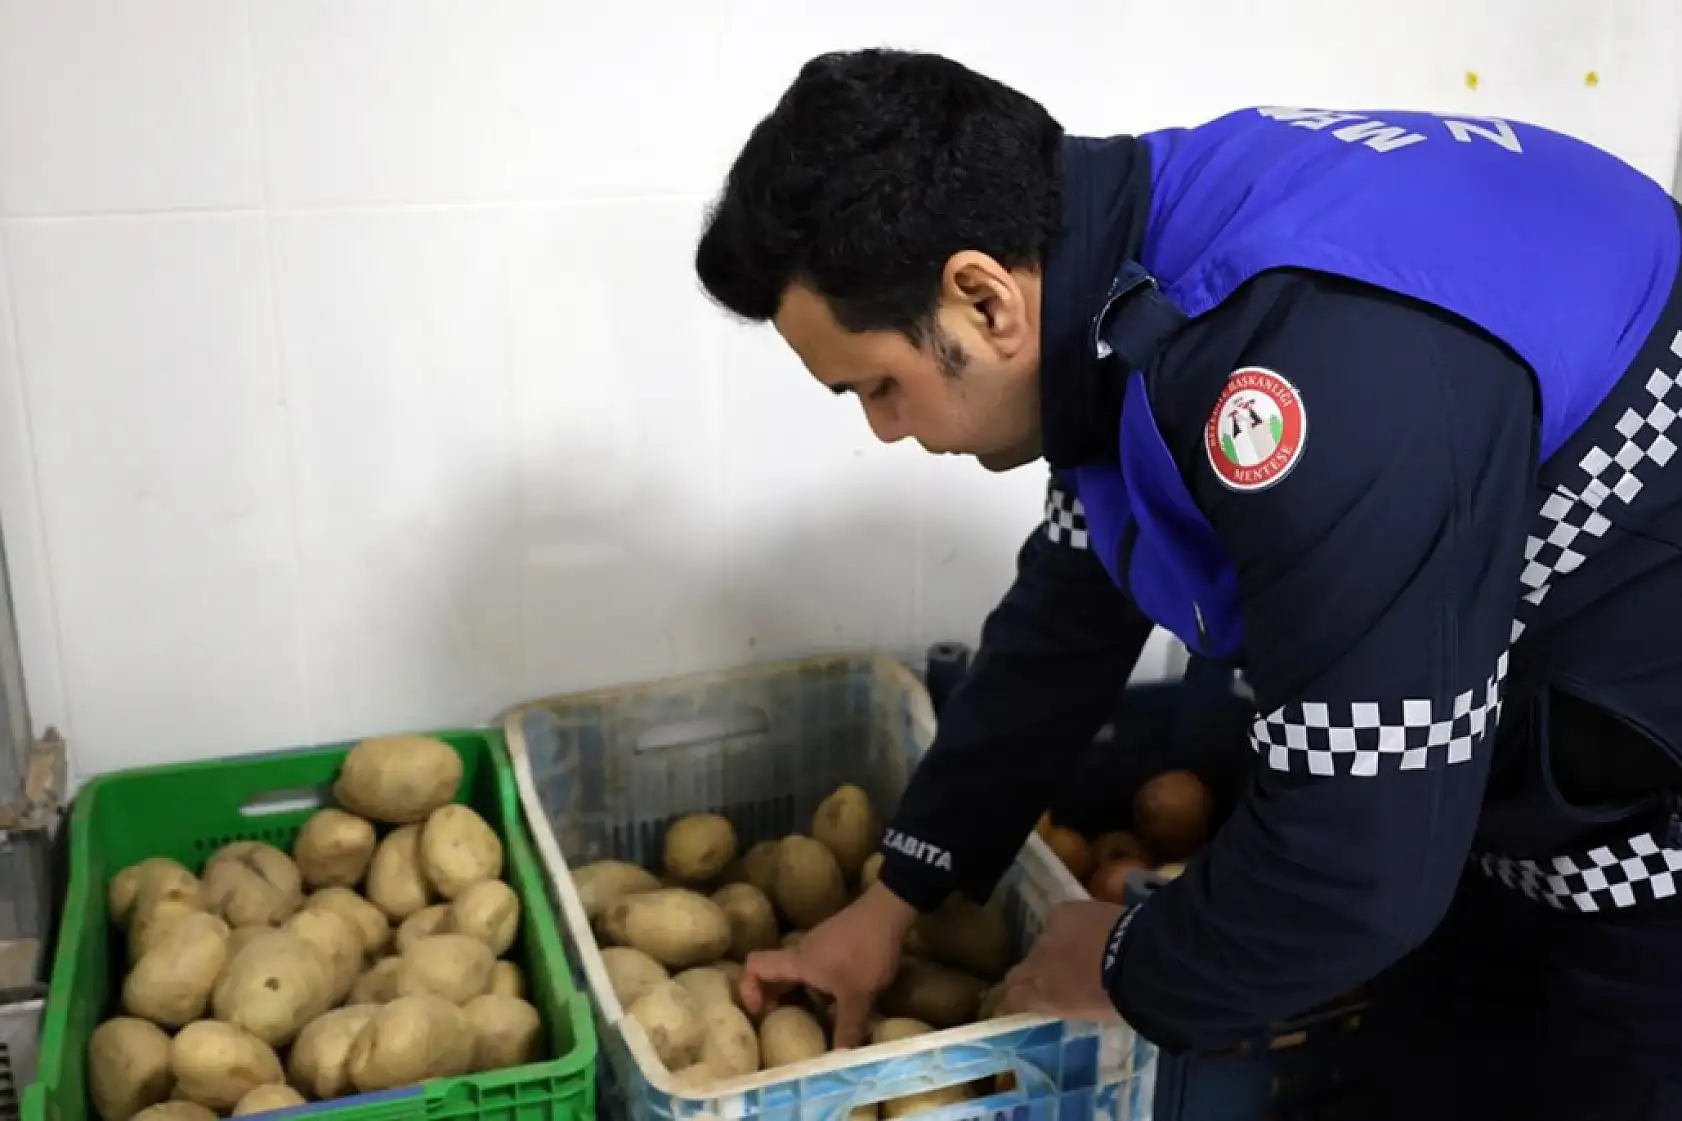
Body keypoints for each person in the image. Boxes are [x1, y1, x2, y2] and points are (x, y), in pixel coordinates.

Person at [692, 48, 1682, 1119]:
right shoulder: (1119, 267)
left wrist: (1130, 966)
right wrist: (903, 888)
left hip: (1643, 832)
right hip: (1489, 795)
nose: (883, 428)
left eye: (879, 386)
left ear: (980, 300)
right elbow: (1069, 610)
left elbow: (1360, 865)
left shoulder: (1305, 370)